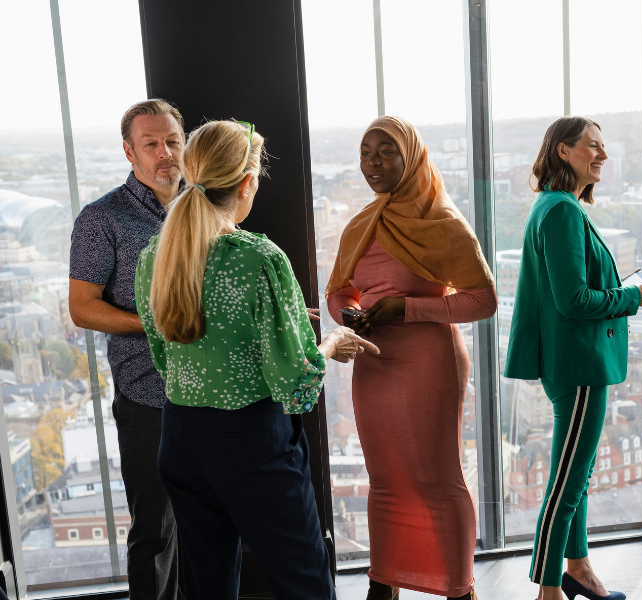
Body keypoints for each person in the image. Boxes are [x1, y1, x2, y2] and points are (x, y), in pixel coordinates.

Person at [134, 119, 378, 599]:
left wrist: (280, 317)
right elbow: (295, 381)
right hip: (250, 444)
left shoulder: (155, 256)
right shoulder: (257, 257)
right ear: (246, 183)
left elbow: (168, 355)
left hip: (181, 437)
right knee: (304, 581)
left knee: (207, 586)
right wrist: (331, 344)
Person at [325, 116, 497, 600]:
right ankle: (385, 582)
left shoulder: (443, 222)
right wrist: (350, 312)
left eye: (385, 151)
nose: (372, 163)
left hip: (428, 361)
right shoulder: (362, 222)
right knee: (385, 478)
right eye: (365, 152)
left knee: (435, 478)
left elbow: (483, 299)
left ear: (412, 156)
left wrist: (408, 308)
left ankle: (458, 590)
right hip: (373, 361)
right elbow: (339, 290)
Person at [504, 116, 642, 600]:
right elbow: (574, 301)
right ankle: (549, 589)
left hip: (574, 363)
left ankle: (579, 570)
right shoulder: (562, 212)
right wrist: (631, 295)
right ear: (563, 151)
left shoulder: (555, 206)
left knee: (577, 473)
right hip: (580, 365)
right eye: (593, 146)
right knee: (566, 485)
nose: (603, 155)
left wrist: (621, 288)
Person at [68, 99, 188, 600]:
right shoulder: (101, 219)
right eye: (151, 144)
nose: (165, 154)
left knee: (209, 526)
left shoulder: (203, 207)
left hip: (214, 394)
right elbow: (82, 309)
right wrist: (157, 325)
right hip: (148, 400)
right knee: (156, 533)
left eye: (173, 142)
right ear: (129, 152)